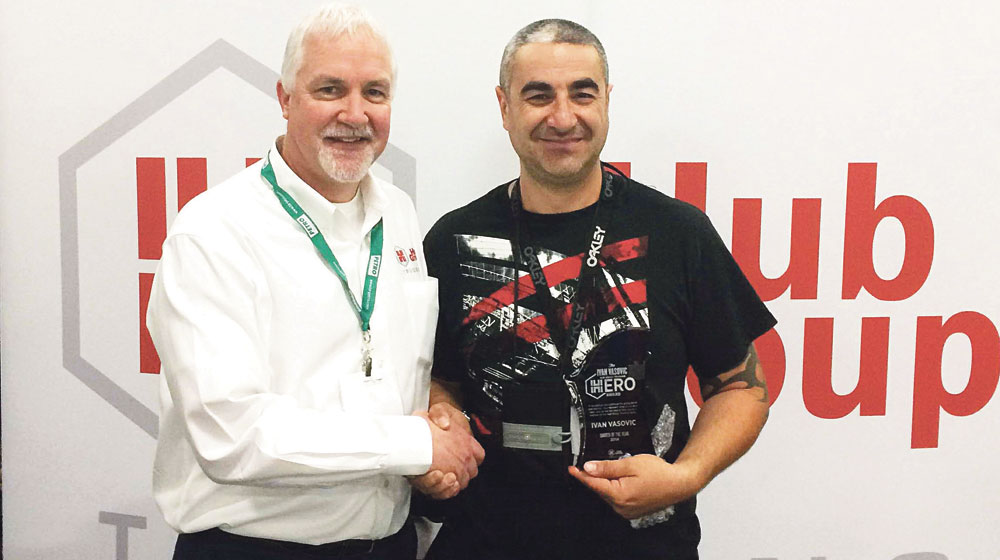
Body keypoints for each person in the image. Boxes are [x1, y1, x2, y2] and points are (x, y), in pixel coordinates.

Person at [421, 18, 776, 559]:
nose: (563, 117)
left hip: (645, 546)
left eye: (582, 94)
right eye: (538, 95)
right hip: (485, 541)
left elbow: (741, 388)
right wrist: (442, 422)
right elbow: (436, 378)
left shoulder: (678, 232)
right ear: (504, 106)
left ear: (607, 100)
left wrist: (686, 476)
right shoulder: (453, 240)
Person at [146, 4, 483, 558]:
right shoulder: (214, 231)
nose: (355, 113)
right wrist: (414, 445)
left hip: (391, 543)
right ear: (284, 98)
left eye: (375, 92)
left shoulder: (397, 212)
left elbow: (396, 371)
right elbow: (232, 435)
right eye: (330, 89)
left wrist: (438, 423)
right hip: (254, 549)